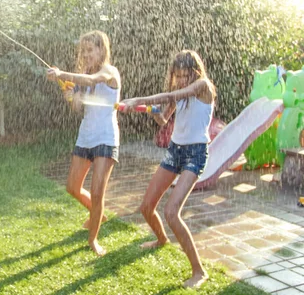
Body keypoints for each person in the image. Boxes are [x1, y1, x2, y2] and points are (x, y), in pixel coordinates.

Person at [120, 49, 216, 288]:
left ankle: (199, 271)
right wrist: (149, 112)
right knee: (146, 207)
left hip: (195, 153)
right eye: (178, 75)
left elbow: (176, 93)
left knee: (172, 212)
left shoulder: (202, 86)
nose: (182, 80)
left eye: (186, 75)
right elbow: (164, 119)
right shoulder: (178, 95)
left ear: (195, 73)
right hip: (175, 150)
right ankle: (161, 240)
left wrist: (140, 100)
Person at [47, 30, 121, 256]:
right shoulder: (82, 78)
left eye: (91, 50)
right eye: (84, 51)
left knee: (97, 192)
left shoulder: (109, 72)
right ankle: (98, 213)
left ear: (102, 50)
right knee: (72, 187)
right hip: (85, 137)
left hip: (105, 138)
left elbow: (93, 79)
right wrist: (68, 93)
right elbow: (77, 107)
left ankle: (93, 240)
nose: (87, 54)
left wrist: (61, 74)